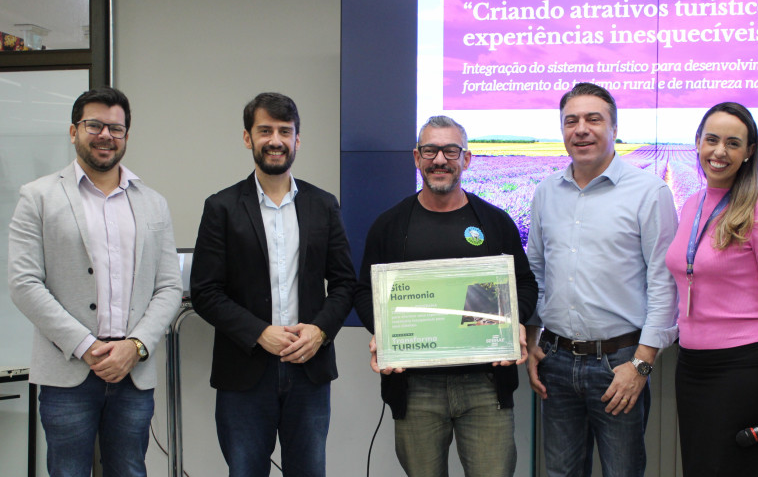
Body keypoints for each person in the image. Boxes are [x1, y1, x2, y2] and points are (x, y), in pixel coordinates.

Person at [8, 86, 183, 476]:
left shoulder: (153, 203)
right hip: (67, 370)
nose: (106, 135)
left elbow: (169, 286)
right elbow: (24, 283)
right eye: (94, 125)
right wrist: (85, 346)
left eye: (116, 128)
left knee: (130, 470)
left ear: (126, 136)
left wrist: (136, 346)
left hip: (132, 371)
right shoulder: (37, 197)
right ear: (74, 131)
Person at [354, 115, 538, 477]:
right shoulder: (390, 226)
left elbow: (525, 284)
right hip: (415, 387)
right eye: (430, 150)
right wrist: (385, 332)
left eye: (451, 151)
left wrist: (513, 321)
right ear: (417, 157)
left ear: (466, 159)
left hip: (485, 385)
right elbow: (363, 292)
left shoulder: (495, 222)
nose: (440, 159)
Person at [190, 92, 356, 477]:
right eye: (265, 130)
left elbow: (345, 283)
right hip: (244, 373)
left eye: (284, 131)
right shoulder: (221, 207)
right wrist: (259, 333)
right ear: (247, 137)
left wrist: (319, 331)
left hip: (309, 369)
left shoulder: (323, 205)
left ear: (297, 139)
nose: (275, 140)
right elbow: (205, 291)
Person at [525, 82, 679, 477]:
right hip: (556, 361)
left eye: (593, 119)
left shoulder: (649, 193)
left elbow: (665, 284)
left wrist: (641, 365)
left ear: (614, 129)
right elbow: (536, 271)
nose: (581, 129)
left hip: (619, 364)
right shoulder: (546, 193)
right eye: (571, 121)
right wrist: (532, 342)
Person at [665, 102, 758, 476]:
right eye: (712, 140)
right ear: (697, 143)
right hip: (691, 366)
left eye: (733, 143)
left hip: (741, 369)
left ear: (748, 152)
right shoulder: (692, 204)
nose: (719, 151)